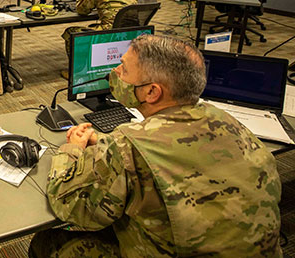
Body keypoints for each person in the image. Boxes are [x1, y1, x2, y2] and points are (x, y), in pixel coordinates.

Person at [30, 34, 282, 258]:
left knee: (50, 242)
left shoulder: (127, 143)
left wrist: (72, 150)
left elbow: (73, 206)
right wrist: (104, 143)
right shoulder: (227, 121)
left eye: (124, 69)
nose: (116, 72)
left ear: (152, 92)